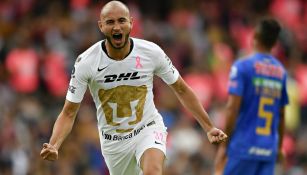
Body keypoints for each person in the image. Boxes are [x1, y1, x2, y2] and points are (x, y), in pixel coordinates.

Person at [40, 1, 227, 175]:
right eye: (110, 22)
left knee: (152, 170)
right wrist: (55, 144)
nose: (117, 27)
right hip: (114, 142)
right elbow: (69, 112)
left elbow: (181, 89)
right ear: (101, 26)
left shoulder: (151, 52)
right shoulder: (86, 62)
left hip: (147, 126)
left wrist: (209, 127)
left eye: (122, 21)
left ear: (131, 23)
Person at [214, 18, 289, 175]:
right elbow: (281, 115)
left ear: (254, 36)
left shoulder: (242, 67)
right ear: (275, 43)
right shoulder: (280, 72)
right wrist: (279, 147)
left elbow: (232, 109)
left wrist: (224, 145)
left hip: (243, 147)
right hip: (268, 149)